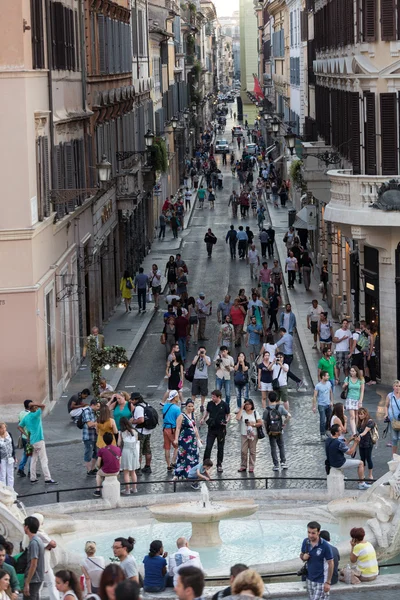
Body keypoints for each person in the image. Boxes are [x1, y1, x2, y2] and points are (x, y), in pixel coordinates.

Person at [19, 402, 57, 484]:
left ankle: (33, 478)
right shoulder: (36, 415)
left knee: (33, 460)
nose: (37, 408)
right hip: (39, 440)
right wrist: (34, 403)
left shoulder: (26, 417)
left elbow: (19, 426)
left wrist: (26, 434)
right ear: (33, 408)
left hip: (32, 441)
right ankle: (47, 478)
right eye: (35, 407)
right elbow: (43, 406)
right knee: (44, 460)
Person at [326, 424, 368, 489]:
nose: (342, 431)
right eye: (340, 430)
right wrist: (356, 442)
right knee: (361, 463)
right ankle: (362, 484)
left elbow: (341, 447)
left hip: (331, 462)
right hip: (339, 463)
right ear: (336, 432)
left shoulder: (328, 439)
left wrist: (350, 440)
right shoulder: (339, 443)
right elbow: (350, 452)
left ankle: (362, 483)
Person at [300, 521, 334, 600]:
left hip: (321, 580)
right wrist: (303, 557)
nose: (310, 535)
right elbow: (301, 555)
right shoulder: (306, 542)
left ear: (318, 532)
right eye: (309, 532)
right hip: (309, 579)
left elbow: (331, 563)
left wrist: (328, 582)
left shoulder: (325, 545)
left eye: (313, 533)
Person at [201, 390, 230, 473]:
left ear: (218, 397)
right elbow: (207, 412)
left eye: (214, 397)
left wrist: (226, 421)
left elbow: (228, 415)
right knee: (208, 447)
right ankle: (205, 464)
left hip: (221, 430)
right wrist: (203, 418)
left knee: (220, 448)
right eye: (212, 396)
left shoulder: (224, 405)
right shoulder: (210, 404)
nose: (212, 398)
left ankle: (219, 464)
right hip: (211, 429)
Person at [173, 400, 201, 480]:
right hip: (184, 439)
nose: (190, 408)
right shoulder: (181, 416)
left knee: (193, 456)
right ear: (186, 406)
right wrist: (176, 439)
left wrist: (198, 438)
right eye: (189, 406)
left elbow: (195, 428)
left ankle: (191, 473)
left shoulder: (193, 415)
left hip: (192, 440)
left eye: (192, 406)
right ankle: (179, 473)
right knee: (183, 456)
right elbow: (178, 428)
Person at [264, 391, 289, 471]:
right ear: (277, 398)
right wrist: (284, 423)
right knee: (281, 446)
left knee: (273, 448)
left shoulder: (267, 410)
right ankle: (283, 462)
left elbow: (264, 421)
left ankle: (276, 465)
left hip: (271, 431)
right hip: (279, 430)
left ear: (268, 399)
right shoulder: (280, 407)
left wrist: (266, 430)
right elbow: (288, 416)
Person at [236, 399, 262, 473]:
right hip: (244, 434)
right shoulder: (243, 413)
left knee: (252, 451)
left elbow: (260, 423)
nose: (247, 406)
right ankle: (243, 466)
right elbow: (237, 418)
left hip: (253, 435)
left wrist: (252, 424)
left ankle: (251, 466)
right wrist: (241, 408)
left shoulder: (255, 413)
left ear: (252, 405)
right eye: (246, 404)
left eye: (249, 404)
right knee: (243, 451)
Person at [23, 516, 45, 600]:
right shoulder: (38, 540)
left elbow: (33, 564)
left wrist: (27, 582)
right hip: (37, 578)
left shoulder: (34, 543)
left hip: (33, 579)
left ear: (27, 527)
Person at [94, 432, 121, 497]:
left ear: (103, 440)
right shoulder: (118, 449)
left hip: (106, 471)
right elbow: (119, 462)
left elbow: (98, 463)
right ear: (112, 440)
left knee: (98, 474)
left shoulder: (102, 450)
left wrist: (99, 467)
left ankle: (98, 490)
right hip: (116, 471)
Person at [131, 393, 153, 474]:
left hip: (140, 432)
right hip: (148, 431)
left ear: (136, 400)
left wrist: (132, 421)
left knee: (138, 451)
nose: (131, 401)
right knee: (147, 450)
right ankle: (148, 467)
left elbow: (141, 420)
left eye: (132, 400)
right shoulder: (146, 404)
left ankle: (138, 469)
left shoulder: (139, 408)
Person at [118, 418, 139, 495]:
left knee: (126, 472)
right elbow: (136, 441)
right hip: (134, 452)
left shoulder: (121, 433)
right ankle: (134, 488)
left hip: (126, 452)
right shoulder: (135, 431)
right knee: (133, 471)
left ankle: (127, 490)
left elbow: (119, 443)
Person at [342, 366, 364, 435]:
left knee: (357, 416)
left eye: (353, 371)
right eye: (351, 371)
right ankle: (354, 433)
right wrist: (345, 385)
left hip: (357, 399)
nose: (352, 372)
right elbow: (343, 388)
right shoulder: (347, 378)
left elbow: (362, 391)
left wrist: (360, 401)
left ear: (356, 372)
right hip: (350, 398)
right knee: (352, 416)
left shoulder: (361, 379)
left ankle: (357, 430)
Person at [162, 391, 181, 471]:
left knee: (167, 447)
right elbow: (179, 422)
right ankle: (173, 462)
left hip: (165, 428)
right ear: (175, 397)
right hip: (172, 429)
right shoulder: (177, 408)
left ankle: (168, 465)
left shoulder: (165, 406)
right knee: (177, 446)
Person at [312, 371, 334, 441]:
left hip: (328, 404)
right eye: (327, 376)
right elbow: (315, 396)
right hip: (321, 405)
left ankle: (327, 430)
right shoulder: (318, 386)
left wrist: (331, 401)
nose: (328, 377)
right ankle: (322, 434)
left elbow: (331, 392)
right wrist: (314, 406)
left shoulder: (329, 383)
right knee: (322, 420)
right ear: (323, 377)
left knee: (329, 418)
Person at [356, 408, 375, 481]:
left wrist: (359, 436)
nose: (359, 415)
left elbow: (365, 432)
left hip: (368, 443)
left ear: (365, 414)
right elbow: (358, 430)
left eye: (361, 414)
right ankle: (362, 475)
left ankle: (370, 475)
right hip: (361, 443)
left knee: (368, 458)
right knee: (362, 459)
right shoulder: (360, 422)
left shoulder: (370, 422)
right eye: (359, 414)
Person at [17, 399, 34, 478]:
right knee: (31, 455)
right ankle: (31, 471)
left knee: (26, 453)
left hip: (24, 437)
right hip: (30, 437)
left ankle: (20, 469)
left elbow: (20, 424)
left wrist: (24, 434)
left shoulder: (21, 413)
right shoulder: (31, 414)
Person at [191, 347, 211, 412]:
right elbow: (193, 363)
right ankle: (192, 404)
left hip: (204, 377)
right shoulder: (196, 357)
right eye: (200, 351)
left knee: (203, 392)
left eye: (203, 351)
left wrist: (204, 356)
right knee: (194, 392)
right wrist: (198, 355)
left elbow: (208, 364)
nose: (202, 352)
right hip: (196, 377)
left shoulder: (207, 357)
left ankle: (202, 405)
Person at [0, 423, 15, 488]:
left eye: (5, 428)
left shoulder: (9, 434)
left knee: (10, 475)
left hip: (10, 457)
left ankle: (11, 491)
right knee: (2, 475)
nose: (4, 429)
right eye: (2, 428)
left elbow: (12, 445)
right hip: (2, 459)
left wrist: (14, 456)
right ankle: (3, 492)